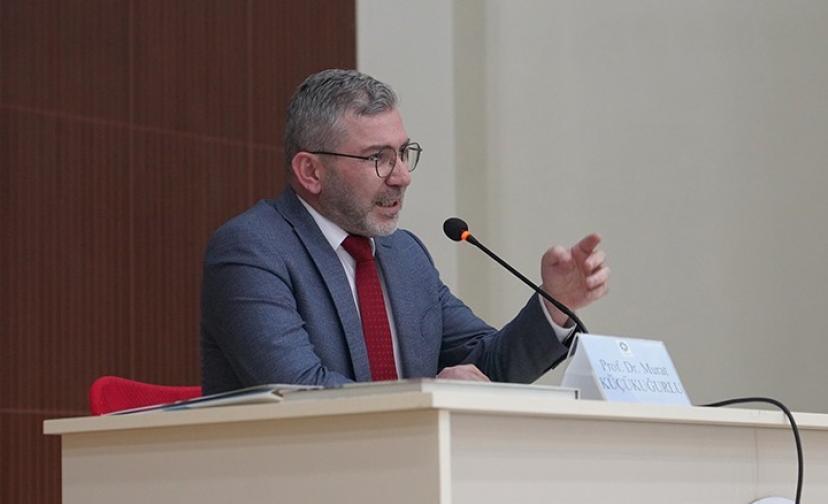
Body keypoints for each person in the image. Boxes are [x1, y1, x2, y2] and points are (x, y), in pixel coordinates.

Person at [201, 69, 609, 394]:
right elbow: (299, 390)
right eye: (377, 158)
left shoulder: (404, 255)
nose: (401, 176)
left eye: (403, 153)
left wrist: (555, 303)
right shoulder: (252, 250)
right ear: (311, 171)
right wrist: (427, 392)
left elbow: (488, 369)